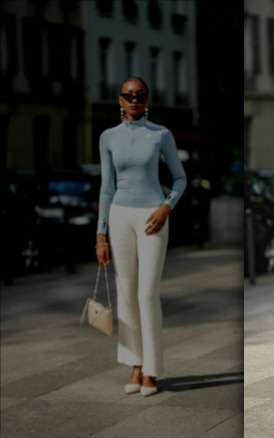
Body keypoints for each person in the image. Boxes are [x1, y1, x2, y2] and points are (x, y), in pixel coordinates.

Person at [95, 76, 186, 397]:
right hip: (119, 216)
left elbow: (180, 178)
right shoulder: (108, 137)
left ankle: (152, 370)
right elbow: (106, 188)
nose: (134, 100)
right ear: (119, 100)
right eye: (128, 95)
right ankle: (135, 365)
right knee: (126, 294)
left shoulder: (161, 134)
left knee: (147, 294)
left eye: (140, 95)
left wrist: (166, 208)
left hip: (153, 217)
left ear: (147, 100)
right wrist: (100, 234)